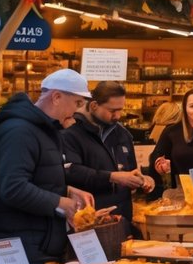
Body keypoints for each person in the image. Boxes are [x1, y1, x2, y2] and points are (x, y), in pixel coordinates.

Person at [0, 69, 96, 264]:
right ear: (56, 97)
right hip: (19, 245)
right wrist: (61, 202)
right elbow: (13, 187)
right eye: (77, 103)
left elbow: (37, 178)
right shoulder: (19, 131)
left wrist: (67, 190)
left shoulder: (44, 130)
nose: (77, 111)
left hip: (36, 243)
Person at [63, 81, 154, 239]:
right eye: (113, 110)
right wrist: (112, 177)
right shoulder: (71, 134)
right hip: (87, 226)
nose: (118, 116)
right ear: (94, 106)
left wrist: (143, 180)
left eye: (121, 110)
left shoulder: (123, 134)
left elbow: (131, 171)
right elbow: (71, 172)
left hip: (122, 223)